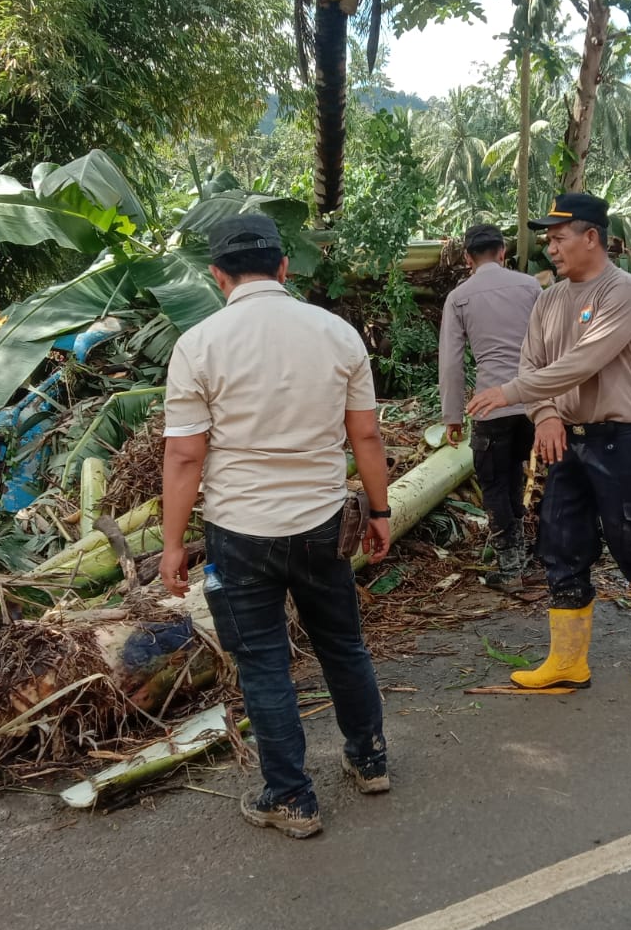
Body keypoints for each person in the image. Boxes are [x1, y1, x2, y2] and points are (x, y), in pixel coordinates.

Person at [161, 214, 393, 840]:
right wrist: (379, 511)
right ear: (284, 267)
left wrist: (174, 544)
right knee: (343, 644)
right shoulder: (337, 333)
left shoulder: (200, 344)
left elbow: (185, 455)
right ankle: (369, 759)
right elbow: (365, 434)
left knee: (264, 664)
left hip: (240, 531)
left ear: (217, 277)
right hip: (322, 522)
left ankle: (291, 798)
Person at [466, 192, 631, 687]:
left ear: (591, 237)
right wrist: (545, 415)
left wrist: (511, 393)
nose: (550, 247)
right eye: (547, 239)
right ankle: (568, 662)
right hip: (566, 441)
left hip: (620, 438)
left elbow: (582, 362)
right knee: (561, 544)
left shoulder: (624, 292)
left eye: (558, 237)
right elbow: (533, 364)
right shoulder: (547, 299)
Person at [439, 223, 543, 589]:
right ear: (503, 252)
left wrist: (452, 416)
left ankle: (512, 567)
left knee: (496, 481)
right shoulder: (531, 286)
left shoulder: (459, 297)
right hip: (534, 402)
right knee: (515, 471)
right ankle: (535, 552)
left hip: (491, 406)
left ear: (468, 258)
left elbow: (451, 362)